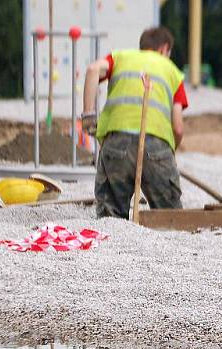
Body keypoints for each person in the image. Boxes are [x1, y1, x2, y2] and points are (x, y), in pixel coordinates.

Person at [80, 27, 189, 219]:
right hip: (157, 146)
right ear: (164, 49)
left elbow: (92, 70)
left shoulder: (120, 57)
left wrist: (89, 117)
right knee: (171, 217)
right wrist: (169, 154)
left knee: (110, 216)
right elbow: (178, 128)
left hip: (115, 143)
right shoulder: (172, 71)